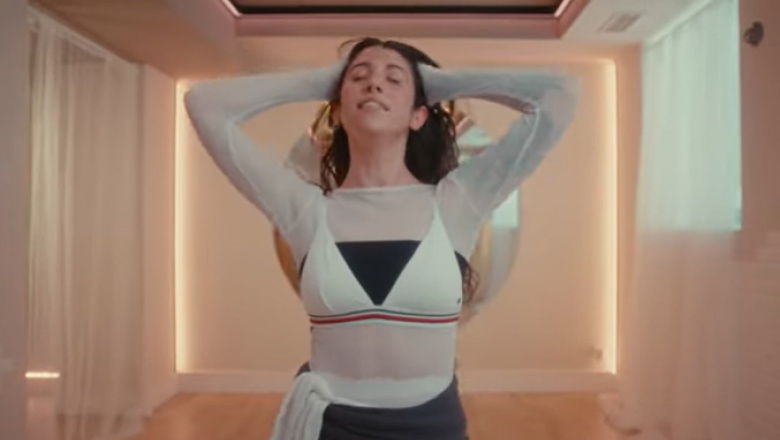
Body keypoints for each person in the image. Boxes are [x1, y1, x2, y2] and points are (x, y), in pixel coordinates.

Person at [184, 36, 580, 440]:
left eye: (394, 79)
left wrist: (440, 82)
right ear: (337, 111)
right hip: (331, 427)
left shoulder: (457, 203)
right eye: (359, 76)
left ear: (418, 115)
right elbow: (203, 103)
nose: (374, 84)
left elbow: (560, 94)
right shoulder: (306, 211)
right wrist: (325, 81)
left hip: (431, 427)